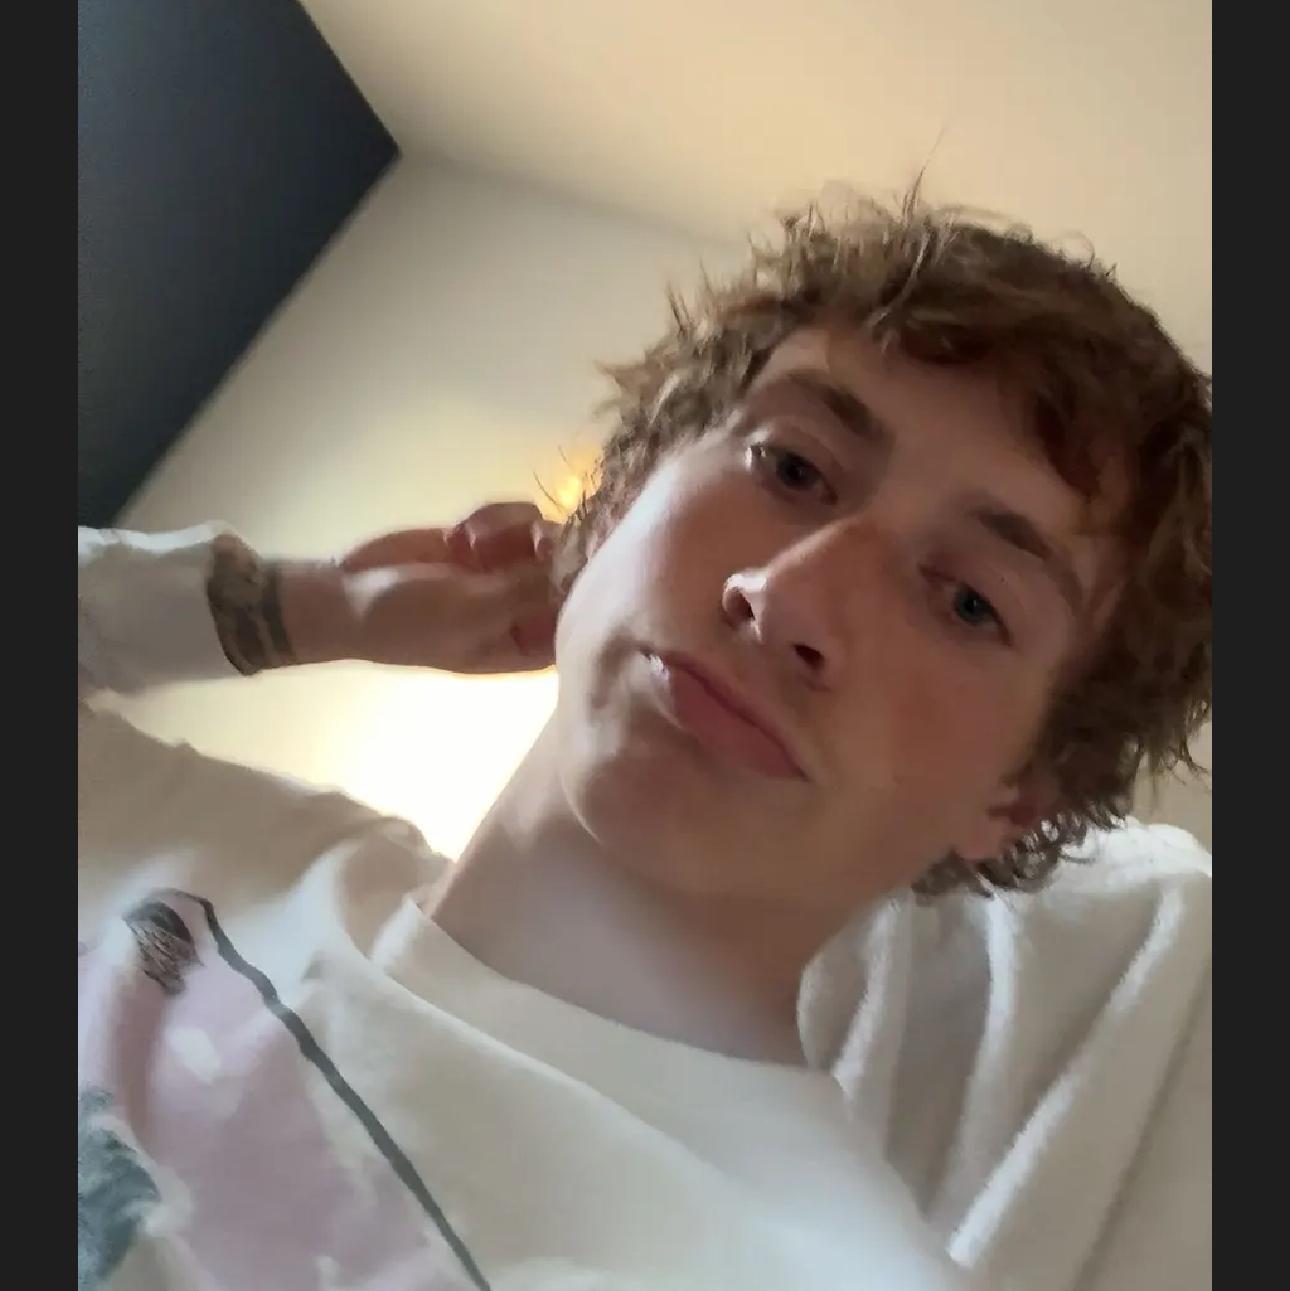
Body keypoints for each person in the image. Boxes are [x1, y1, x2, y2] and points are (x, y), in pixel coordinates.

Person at [78, 190, 1211, 1291]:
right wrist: (308, 606)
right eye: (792, 468)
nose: (792, 596)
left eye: (967, 602)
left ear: (1017, 795)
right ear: (617, 499)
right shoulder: (188, 842)